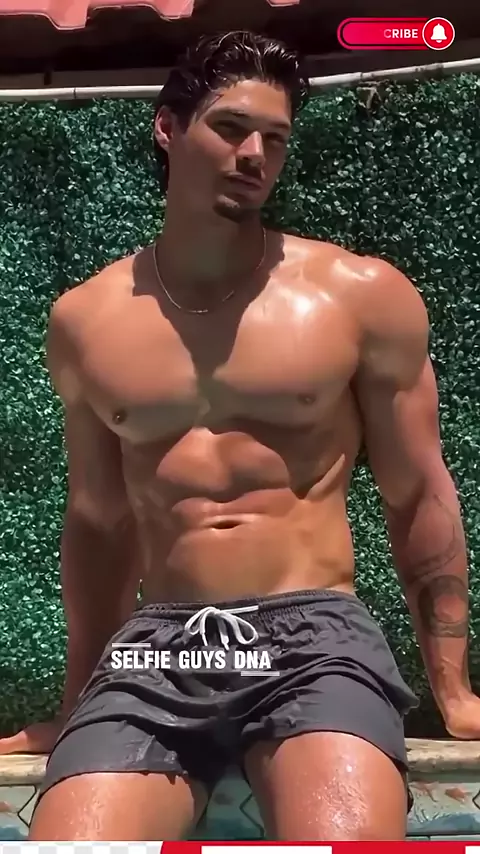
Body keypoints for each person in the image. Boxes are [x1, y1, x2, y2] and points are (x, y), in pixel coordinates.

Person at [2, 29, 479, 842]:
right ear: (168, 127)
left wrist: (455, 691)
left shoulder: (357, 296)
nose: (254, 154)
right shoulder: (86, 321)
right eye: (230, 128)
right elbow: (100, 522)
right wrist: (80, 695)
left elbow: (419, 492)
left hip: (313, 638)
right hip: (160, 646)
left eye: (275, 139)